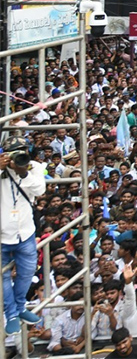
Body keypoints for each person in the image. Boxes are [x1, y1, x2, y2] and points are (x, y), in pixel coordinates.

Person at [0, 137, 46, 335]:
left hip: (26, 232)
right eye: (14, 152)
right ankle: (10, 314)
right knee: (2, 278)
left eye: (22, 151)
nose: (18, 156)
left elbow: (40, 189)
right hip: (2, 234)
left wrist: (23, 172)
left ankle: (19, 307)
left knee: (27, 273)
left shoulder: (34, 166)